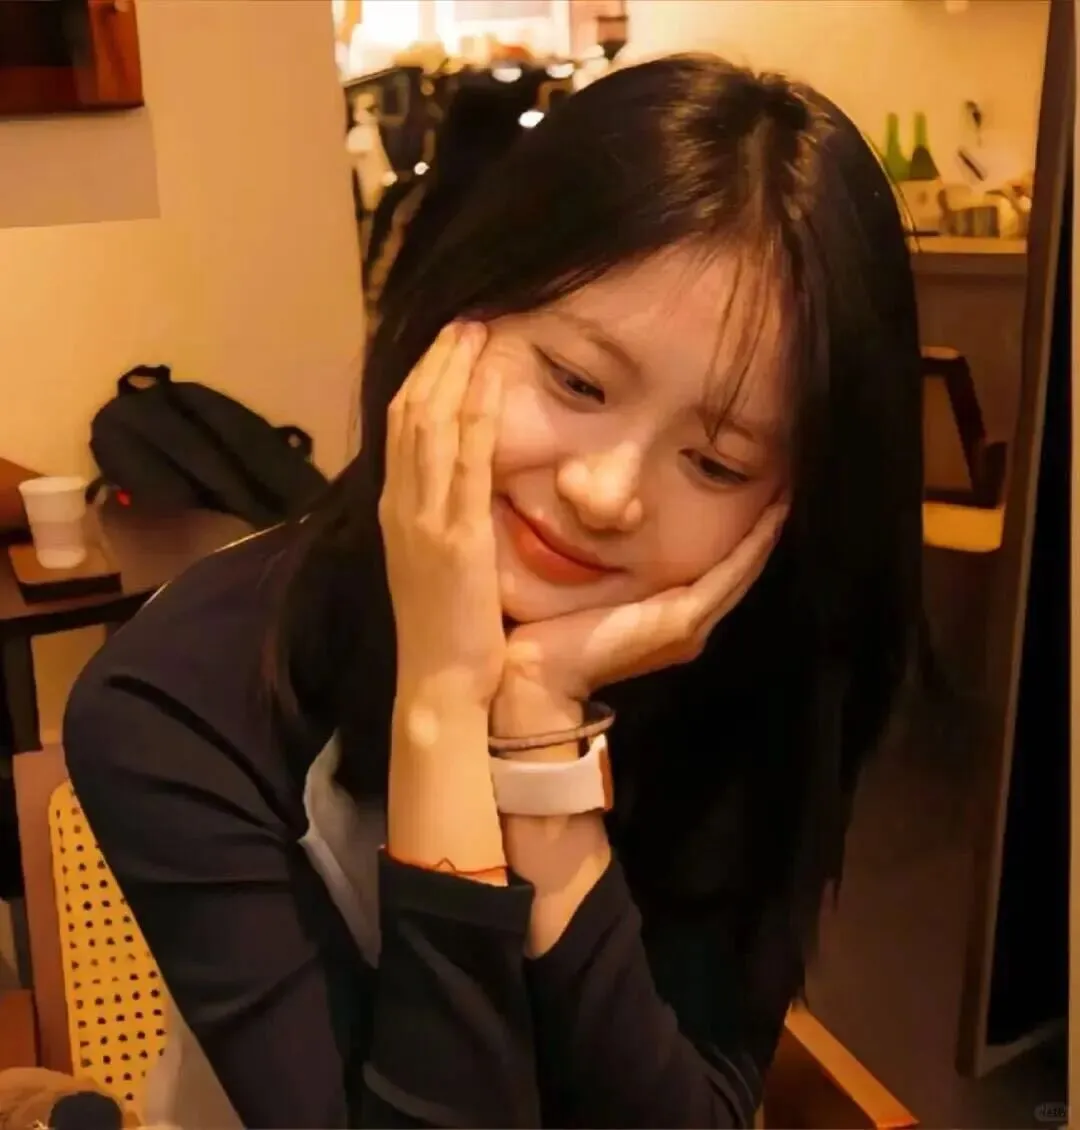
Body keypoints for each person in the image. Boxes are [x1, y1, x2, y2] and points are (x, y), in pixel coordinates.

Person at [64, 55, 926, 1129]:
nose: (606, 492)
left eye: (715, 462)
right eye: (577, 381)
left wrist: (542, 756)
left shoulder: (757, 669)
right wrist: (441, 703)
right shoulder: (176, 695)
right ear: (457, 309)